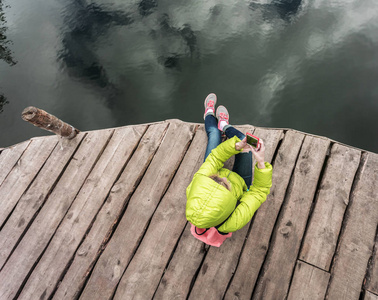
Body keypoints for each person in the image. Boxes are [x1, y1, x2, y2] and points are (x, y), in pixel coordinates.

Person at [185, 93, 273, 247]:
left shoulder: (199, 183)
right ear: (229, 204)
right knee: (241, 137)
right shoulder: (233, 222)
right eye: (225, 185)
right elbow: (258, 192)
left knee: (215, 136)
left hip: (217, 178)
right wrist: (260, 163)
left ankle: (209, 114)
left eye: (216, 179)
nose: (224, 177)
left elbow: (215, 158)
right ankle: (225, 125)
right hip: (241, 183)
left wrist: (236, 147)